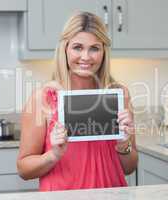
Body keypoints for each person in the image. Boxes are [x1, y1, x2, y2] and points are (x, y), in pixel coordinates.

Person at [17, 11, 138, 191]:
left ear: (104, 52)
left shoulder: (118, 94)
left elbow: (129, 168)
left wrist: (123, 145)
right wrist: (53, 155)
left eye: (94, 48)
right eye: (78, 47)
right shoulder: (43, 98)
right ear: (65, 48)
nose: (86, 57)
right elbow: (23, 169)